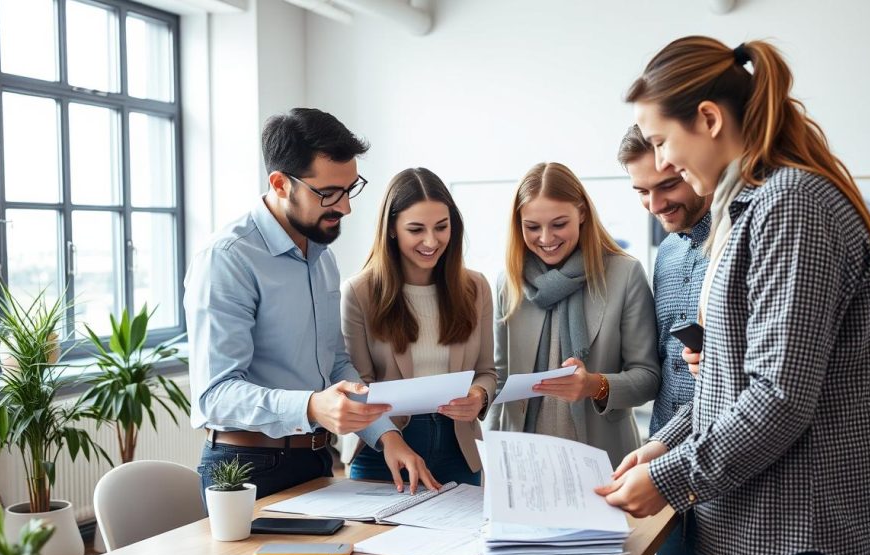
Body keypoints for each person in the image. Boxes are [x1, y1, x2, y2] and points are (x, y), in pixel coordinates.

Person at [596, 37, 870, 555]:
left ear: (708, 118)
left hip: (795, 534)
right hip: (757, 527)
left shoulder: (792, 204)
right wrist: (664, 445)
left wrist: (669, 477)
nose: (663, 162)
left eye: (662, 142)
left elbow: (778, 396)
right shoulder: (755, 208)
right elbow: (726, 379)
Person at [185, 108, 426, 499]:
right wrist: (312, 407)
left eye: (350, 189)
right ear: (280, 184)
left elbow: (334, 365)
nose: (345, 207)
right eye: (329, 193)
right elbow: (216, 395)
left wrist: (387, 436)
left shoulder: (321, 254)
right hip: (246, 466)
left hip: (316, 459)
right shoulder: (227, 258)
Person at [486, 161, 659, 467]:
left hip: (602, 460)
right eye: (532, 227)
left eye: (558, 224)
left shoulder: (624, 274)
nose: (546, 238)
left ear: (581, 213)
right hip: (524, 462)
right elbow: (500, 380)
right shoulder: (508, 282)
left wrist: (594, 384)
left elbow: (648, 378)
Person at [342, 167, 495, 489]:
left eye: (442, 227)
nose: (431, 241)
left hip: (460, 447)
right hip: (385, 448)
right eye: (416, 229)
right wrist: (389, 438)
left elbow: (486, 371)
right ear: (393, 229)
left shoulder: (475, 287)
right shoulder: (360, 292)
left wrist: (478, 396)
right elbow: (357, 384)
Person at [618, 124, 710, 555]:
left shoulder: (738, 244)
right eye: (641, 192)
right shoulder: (668, 253)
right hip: (666, 457)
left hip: (723, 463)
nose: (655, 206)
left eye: (667, 185)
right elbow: (661, 363)